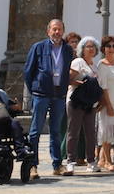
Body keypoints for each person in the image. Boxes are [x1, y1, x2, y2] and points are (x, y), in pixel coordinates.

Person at [23, 18, 75, 176]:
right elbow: (28, 71)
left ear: (63, 31)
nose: (57, 32)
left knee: (56, 131)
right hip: (41, 95)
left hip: (59, 94)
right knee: (35, 131)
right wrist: (35, 88)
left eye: (59, 29)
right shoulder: (38, 47)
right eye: (54, 29)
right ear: (48, 31)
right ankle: (32, 165)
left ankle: (57, 165)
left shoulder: (67, 50)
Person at [65, 36, 100, 174]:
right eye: (88, 46)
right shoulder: (78, 62)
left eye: (93, 46)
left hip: (89, 103)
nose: (91, 49)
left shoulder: (94, 65)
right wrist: (78, 84)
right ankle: (70, 161)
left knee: (91, 132)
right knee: (73, 131)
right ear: (82, 49)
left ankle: (91, 161)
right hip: (76, 101)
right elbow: (67, 79)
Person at [95, 36, 114, 172]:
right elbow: (103, 88)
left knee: (113, 133)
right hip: (109, 104)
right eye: (108, 46)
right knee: (106, 133)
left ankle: (102, 159)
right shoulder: (101, 65)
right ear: (103, 49)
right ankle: (108, 161)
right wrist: (109, 106)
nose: (111, 49)